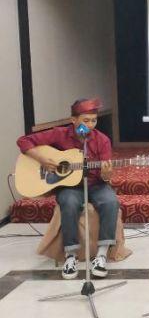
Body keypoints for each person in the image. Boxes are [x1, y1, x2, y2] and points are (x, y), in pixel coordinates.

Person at [16, 98, 119, 279]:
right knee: (69, 202)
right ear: (73, 120)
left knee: (111, 202)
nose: (90, 125)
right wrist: (42, 159)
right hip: (70, 186)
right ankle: (70, 256)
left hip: (96, 184)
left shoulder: (102, 140)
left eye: (93, 121)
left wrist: (106, 174)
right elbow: (23, 141)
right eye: (85, 121)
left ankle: (102, 255)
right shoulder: (59, 134)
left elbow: (105, 176)